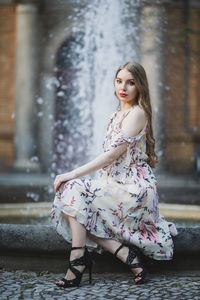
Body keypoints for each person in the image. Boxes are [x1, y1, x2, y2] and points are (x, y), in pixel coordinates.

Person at [51, 61, 177, 288]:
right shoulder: (116, 114)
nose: (124, 87)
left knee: (72, 189)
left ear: (140, 87)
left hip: (134, 189)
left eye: (131, 83)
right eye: (119, 81)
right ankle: (122, 252)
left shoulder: (137, 114)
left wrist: (71, 173)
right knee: (76, 204)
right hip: (114, 184)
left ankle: (78, 261)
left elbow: (110, 157)